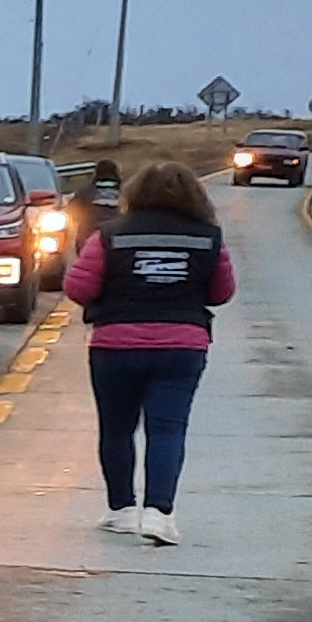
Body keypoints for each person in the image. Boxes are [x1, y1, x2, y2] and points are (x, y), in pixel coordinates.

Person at [66, 159, 234, 544]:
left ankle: (122, 510)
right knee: (167, 430)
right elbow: (222, 292)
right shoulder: (209, 238)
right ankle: (159, 513)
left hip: (115, 346)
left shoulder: (109, 236)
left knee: (117, 429)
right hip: (182, 346)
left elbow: (79, 289)